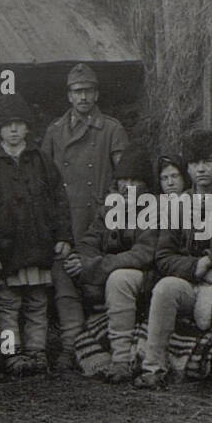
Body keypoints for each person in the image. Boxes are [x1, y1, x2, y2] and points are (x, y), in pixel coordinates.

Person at [134, 130, 212, 397]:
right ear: (187, 168)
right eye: (194, 163)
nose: (201, 169)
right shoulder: (179, 205)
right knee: (165, 287)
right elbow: (163, 257)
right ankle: (153, 368)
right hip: (192, 286)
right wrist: (195, 267)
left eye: (208, 161)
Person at [0, 93, 73, 376]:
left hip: (38, 245)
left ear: (28, 127)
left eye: (19, 123)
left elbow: (59, 199)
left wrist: (64, 236)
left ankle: (36, 352)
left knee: (36, 303)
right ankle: (11, 353)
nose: (14, 130)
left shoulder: (41, 161)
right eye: (7, 125)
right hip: (5, 250)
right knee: (7, 305)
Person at [44, 63, 129, 371]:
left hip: (99, 218)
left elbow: (124, 177)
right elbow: (46, 181)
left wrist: (111, 213)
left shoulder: (111, 129)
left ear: (97, 94)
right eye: (77, 91)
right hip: (66, 218)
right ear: (69, 96)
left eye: (88, 91)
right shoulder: (54, 132)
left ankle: (99, 342)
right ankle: (71, 344)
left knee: (97, 280)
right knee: (64, 280)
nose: (83, 97)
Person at [63, 143, 159, 383]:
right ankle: (68, 345)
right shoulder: (110, 207)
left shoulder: (156, 208)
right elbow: (90, 239)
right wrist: (80, 259)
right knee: (65, 266)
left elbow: (143, 254)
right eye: (123, 180)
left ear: (146, 184)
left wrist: (95, 267)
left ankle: (120, 360)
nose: (128, 186)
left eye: (135, 181)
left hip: (147, 277)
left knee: (119, 279)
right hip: (108, 274)